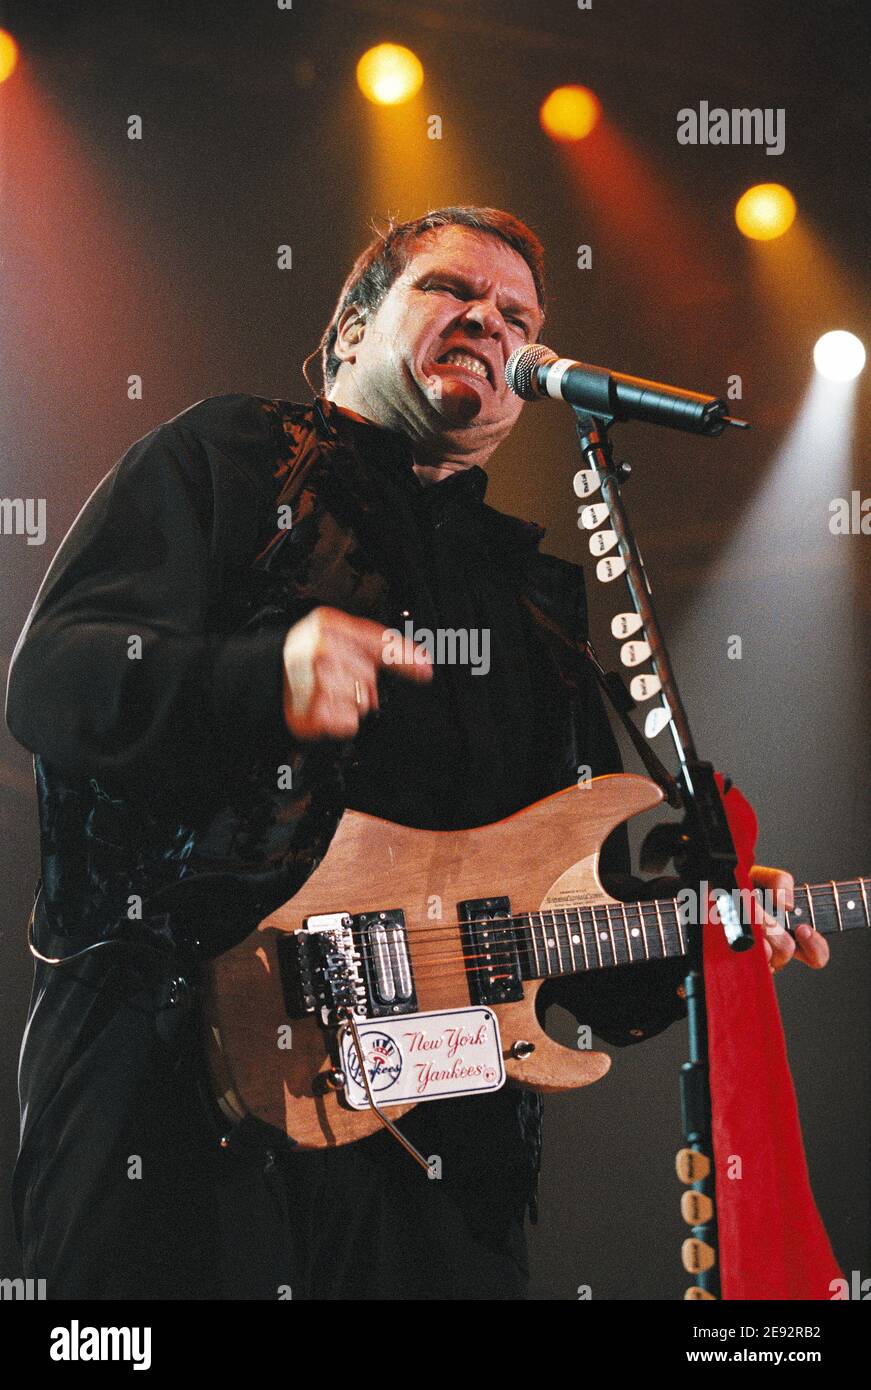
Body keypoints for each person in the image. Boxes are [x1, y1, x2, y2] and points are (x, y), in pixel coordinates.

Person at [5, 206, 828, 1301]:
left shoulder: (530, 601)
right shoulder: (237, 463)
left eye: (518, 317)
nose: (490, 322)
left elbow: (550, 913)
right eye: (453, 291)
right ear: (352, 326)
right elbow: (54, 681)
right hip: (178, 1088)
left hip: (444, 1156)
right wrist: (261, 678)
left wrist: (697, 931)